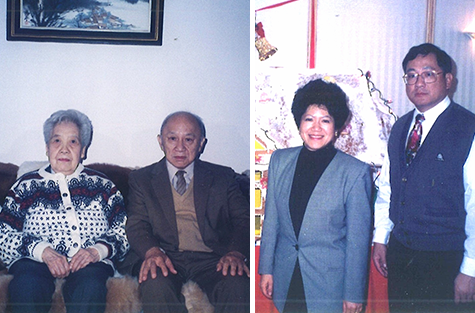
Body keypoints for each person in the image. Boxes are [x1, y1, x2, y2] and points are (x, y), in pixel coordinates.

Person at [372, 43, 475, 312]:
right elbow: (387, 188)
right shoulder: (400, 127)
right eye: (411, 75)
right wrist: (381, 237)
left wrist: (471, 269)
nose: (419, 82)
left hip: (446, 260)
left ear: (448, 80)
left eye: (429, 73)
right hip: (402, 252)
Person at [258, 79, 373, 313]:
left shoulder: (355, 172)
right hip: (286, 274)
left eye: (326, 120)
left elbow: (357, 241)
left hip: (329, 283)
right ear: (299, 122)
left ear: (337, 126)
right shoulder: (280, 160)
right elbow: (272, 221)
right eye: (309, 119)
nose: (316, 128)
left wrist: (353, 294)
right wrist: (266, 269)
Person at [0, 109, 129, 313]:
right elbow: (4, 234)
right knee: (27, 285)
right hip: (34, 263)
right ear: (46, 147)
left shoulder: (103, 186)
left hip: (90, 265)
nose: (64, 149)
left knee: (90, 287)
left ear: (83, 150)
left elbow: (122, 232)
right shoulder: (24, 186)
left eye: (73, 142)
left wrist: (96, 251)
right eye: (57, 141)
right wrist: (42, 251)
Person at [124, 111, 250, 313]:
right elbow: (137, 223)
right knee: (155, 283)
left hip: (213, 258)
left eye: (189, 139)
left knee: (237, 284)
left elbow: (244, 219)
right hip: (164, 254)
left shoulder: (222, 177)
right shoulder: (142, 179)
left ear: (201, 143)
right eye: (172, 138)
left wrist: (235, 253)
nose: (180, 147)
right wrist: (152, 251)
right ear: (160, 141)